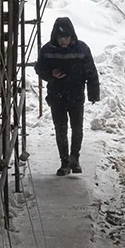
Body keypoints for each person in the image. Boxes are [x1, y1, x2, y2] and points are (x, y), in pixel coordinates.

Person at [35, 17, 99, 175]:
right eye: (60, 38)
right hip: (56, 96)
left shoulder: (82, 49)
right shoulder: (48, 50)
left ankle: (74, 159)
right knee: (60, 129)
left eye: (66, 38)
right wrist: (51, 74)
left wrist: (93, 93)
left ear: (72, 36)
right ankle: (64, 162)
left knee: (77, 128)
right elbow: (39, 68)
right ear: (55, 37)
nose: (63, 41)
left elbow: (91, 72)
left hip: (76, 95)